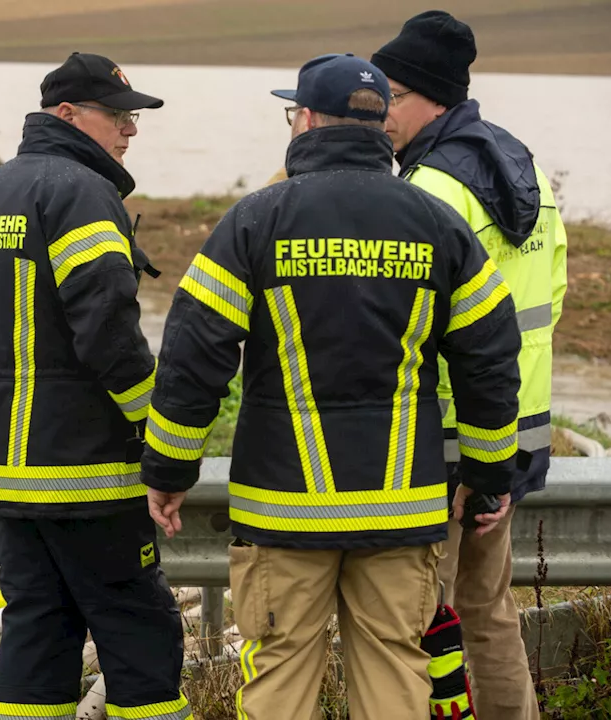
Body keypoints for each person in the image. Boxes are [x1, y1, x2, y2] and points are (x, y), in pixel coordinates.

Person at [138, 53, 522, 720]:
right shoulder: (439, 225)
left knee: (280, 677)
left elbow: (194, 355)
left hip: (282, 510)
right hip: (400, 511)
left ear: (307, 120)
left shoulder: (254, 220)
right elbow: (491, 356)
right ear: (379, 128)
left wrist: (169, 470)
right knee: (398, 677)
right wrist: (488, 472)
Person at [0, 51, 191, 720]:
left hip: (11, 480)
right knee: (140, 635)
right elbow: (108, 334)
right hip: (90, 478)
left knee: (36, 639)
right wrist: (158, 430)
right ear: (67, 114)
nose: (131, 130)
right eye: (118, 116)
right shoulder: (84, 193)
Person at [372, 11, 569, 719]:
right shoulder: (529, 171)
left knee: (417, 627)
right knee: (489, 614)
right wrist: (503, 456)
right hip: (513, 441)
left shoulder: (428, 191)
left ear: (432, 97)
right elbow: (551, 300)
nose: (379, 110)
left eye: (392, 94)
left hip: (444, 448)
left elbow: (404, 328)